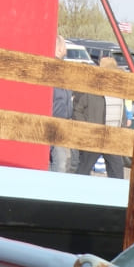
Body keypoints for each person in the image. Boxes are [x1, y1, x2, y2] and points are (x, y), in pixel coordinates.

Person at [50, 36, 75, 172]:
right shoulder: (56, 68)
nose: (66, 49)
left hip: (59, 119)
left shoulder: (61, 68)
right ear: (59, 48)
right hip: (56, 119)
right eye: (65, 46)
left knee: (59, 160)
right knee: (60, 161)